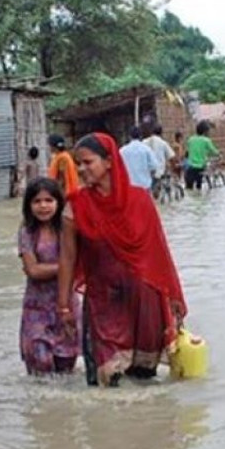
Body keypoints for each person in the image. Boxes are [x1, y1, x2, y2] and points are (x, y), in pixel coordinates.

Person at [57, 132, 187, 387]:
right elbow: (67, 258)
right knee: (106, 381)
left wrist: (172, 298)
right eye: (78, 163)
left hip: (143, 300)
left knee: (145, 383)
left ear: (108, 162)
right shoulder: (75, 206)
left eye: (88, 162)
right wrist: (63, 306)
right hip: (102, 301)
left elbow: (159, 253)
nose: (81, 169)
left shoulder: (140, 200)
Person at [17, 177, 80, 376]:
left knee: (66, 370)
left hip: (67, 307)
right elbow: (33, 270)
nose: (43, 206)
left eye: (48, 201)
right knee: (39, 366)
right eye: (37, 201)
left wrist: (57, 268)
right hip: (36, 309)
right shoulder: (26, 231)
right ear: (29, 205)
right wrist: (67, 266)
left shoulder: (68, 228)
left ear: (58, 203)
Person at [119, 125, 161, 190]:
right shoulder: (146, 149)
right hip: (144, 186)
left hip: (128, 187)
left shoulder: (122, 151)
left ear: (129, 136)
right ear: (140, 136)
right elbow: (154, 166)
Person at [184, 120, 217, 190]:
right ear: (205, 131)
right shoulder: (206, 140)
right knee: (199, 187)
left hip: (190, 167)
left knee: (189, 188)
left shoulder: (190, 139)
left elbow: (187, 152)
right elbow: (214, 151)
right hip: (201, 166)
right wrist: (219, 155)